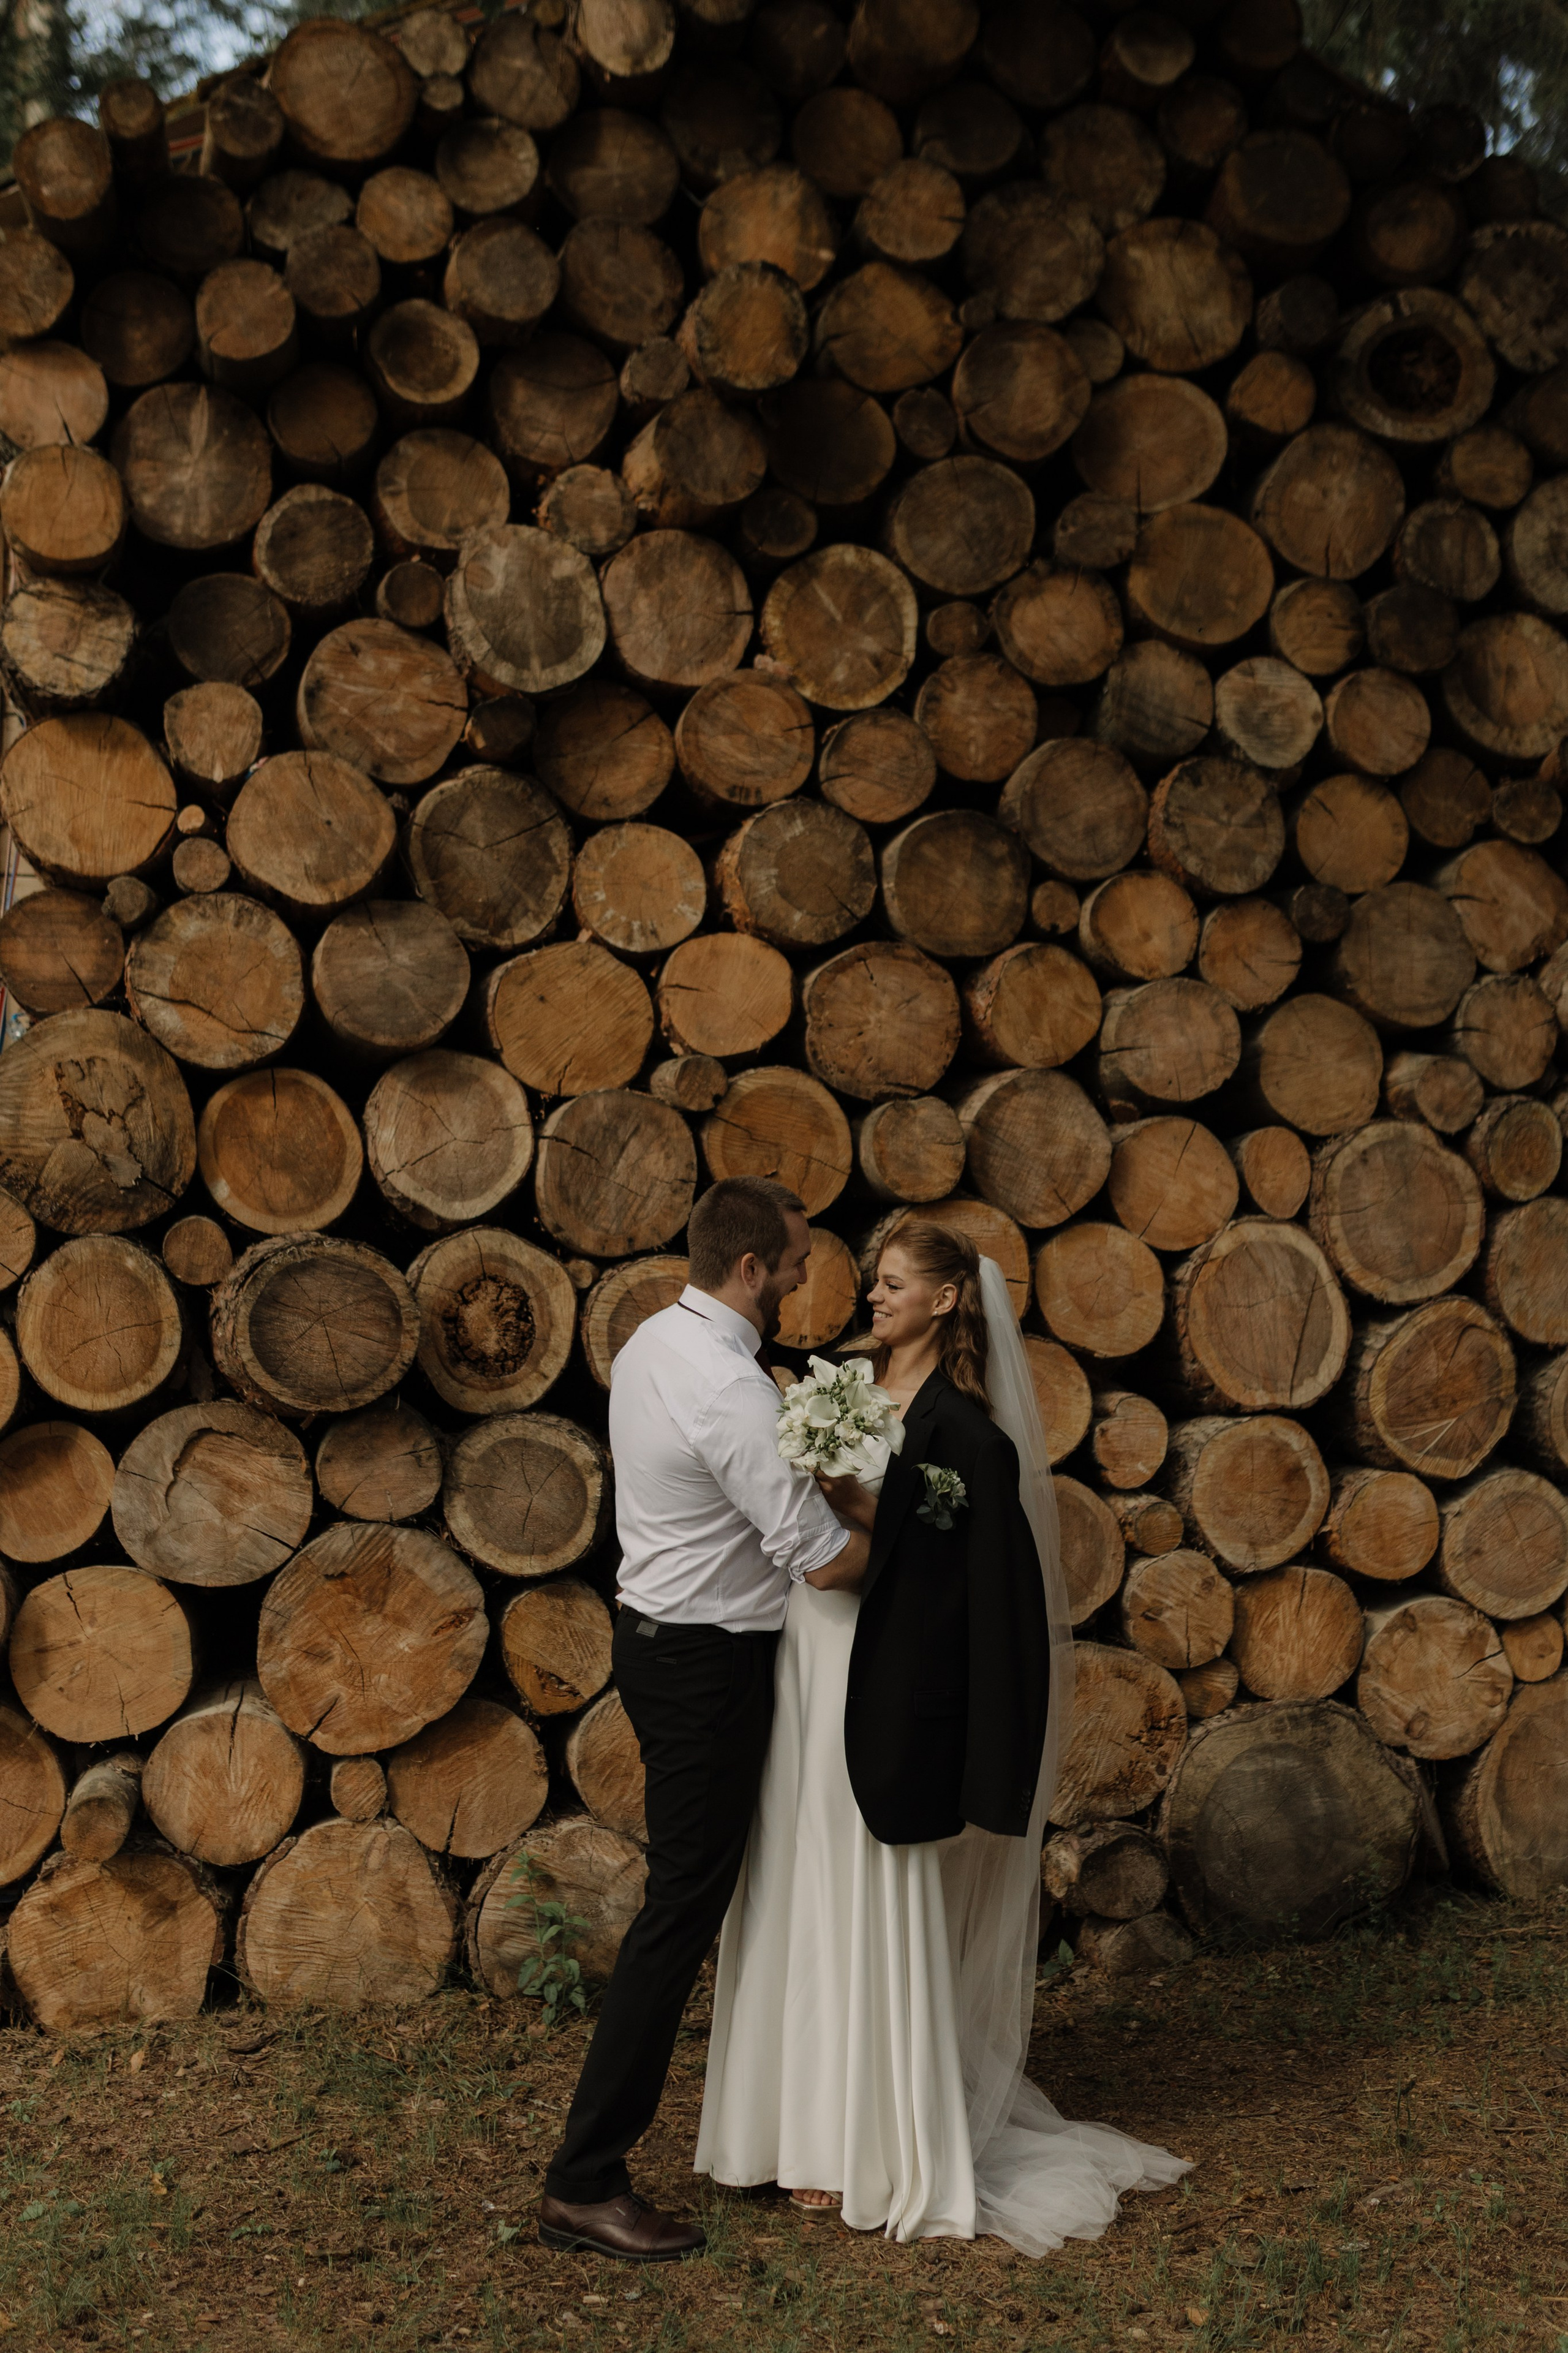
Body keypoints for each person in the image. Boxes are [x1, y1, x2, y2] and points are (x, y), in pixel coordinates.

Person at [695, 1222, 1191, 2253]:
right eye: (875, 1283)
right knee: (794, 1874)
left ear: (948, 1298)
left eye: (893, 1284)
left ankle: (864, 2144)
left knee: (864, 1888)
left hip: (884, 1679)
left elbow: (976, 1589)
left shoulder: (970, 1436)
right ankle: (777, 2130)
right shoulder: (838, 1392)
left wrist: (861, 1509)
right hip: (807, 1658)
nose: (874, 1297)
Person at [539, 1176, 868, 2264]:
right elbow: (823, 1559)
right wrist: (933, 1532)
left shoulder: (653, 1339)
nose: (808, 1276)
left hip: (664, 1642)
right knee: (683, 1907)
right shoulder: (730, 1387)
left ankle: (779, 2111)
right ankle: (584, 2178)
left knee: (713, 1895)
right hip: (706, 1666)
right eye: (798, 1260)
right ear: (750, 1266)